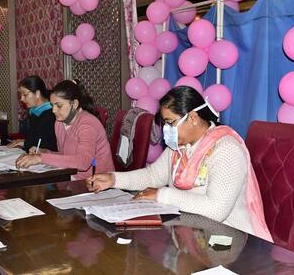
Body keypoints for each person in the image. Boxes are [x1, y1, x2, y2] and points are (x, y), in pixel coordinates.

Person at [88, 86, 272, 241]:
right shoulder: (180, 147)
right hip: (191, 233)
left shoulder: (226, 149)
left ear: (192, 117)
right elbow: (152, 175)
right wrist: (113, 179)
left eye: (170, 123)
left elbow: (216, 210)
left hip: (226, 238)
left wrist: (162, 195)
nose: (167, 130)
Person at [15, 79, 114, 180]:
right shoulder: (59, 123)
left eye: (59, 106)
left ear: (74, 104)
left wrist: (41, 158)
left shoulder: (87, 124)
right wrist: (45, 152)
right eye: (52, 105)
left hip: (97, 182)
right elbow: (66, 156)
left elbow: (83, 162)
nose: (53, 110)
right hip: (72, 177)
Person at [8, 75, 57, 152]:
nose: (22, 99)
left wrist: (25, 143)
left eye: (25, 95)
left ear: (37, 93)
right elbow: (35, 138)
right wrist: (24, 141)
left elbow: (47, 144)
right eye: (20, 95)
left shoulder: (52, 113)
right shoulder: (33, 112)